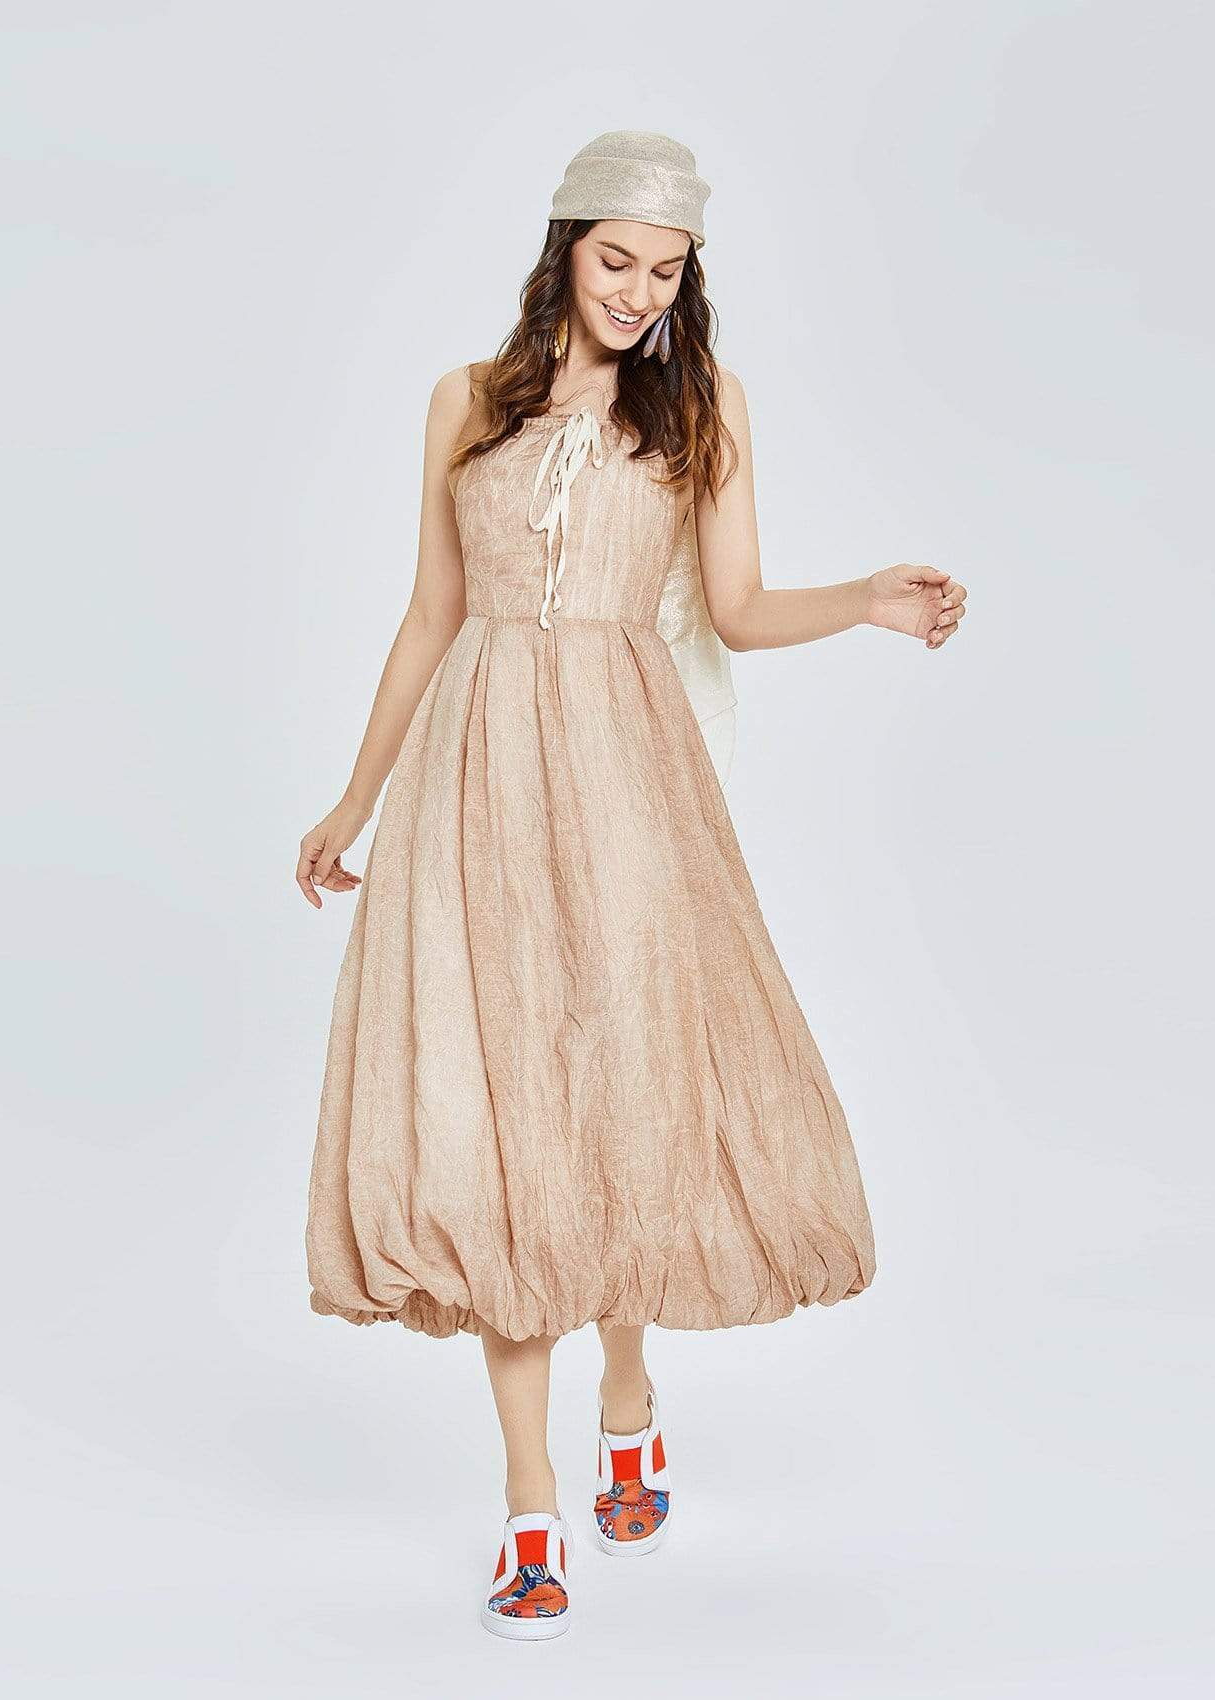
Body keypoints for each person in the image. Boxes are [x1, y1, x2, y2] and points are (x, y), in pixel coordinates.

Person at [297, 130, 968, 1641]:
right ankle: (531, 1506)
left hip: (625, 777)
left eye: (667, 270)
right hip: (475, 776)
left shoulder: (703, 409)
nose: (638, 290)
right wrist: (354, 799)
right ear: (563, 248)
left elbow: (734, 607)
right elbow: (430, 612)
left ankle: (628, 1391)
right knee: (502, 1119)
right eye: (617, 259)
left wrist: (865, 601)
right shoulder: (466, 401)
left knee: (621, 1090)